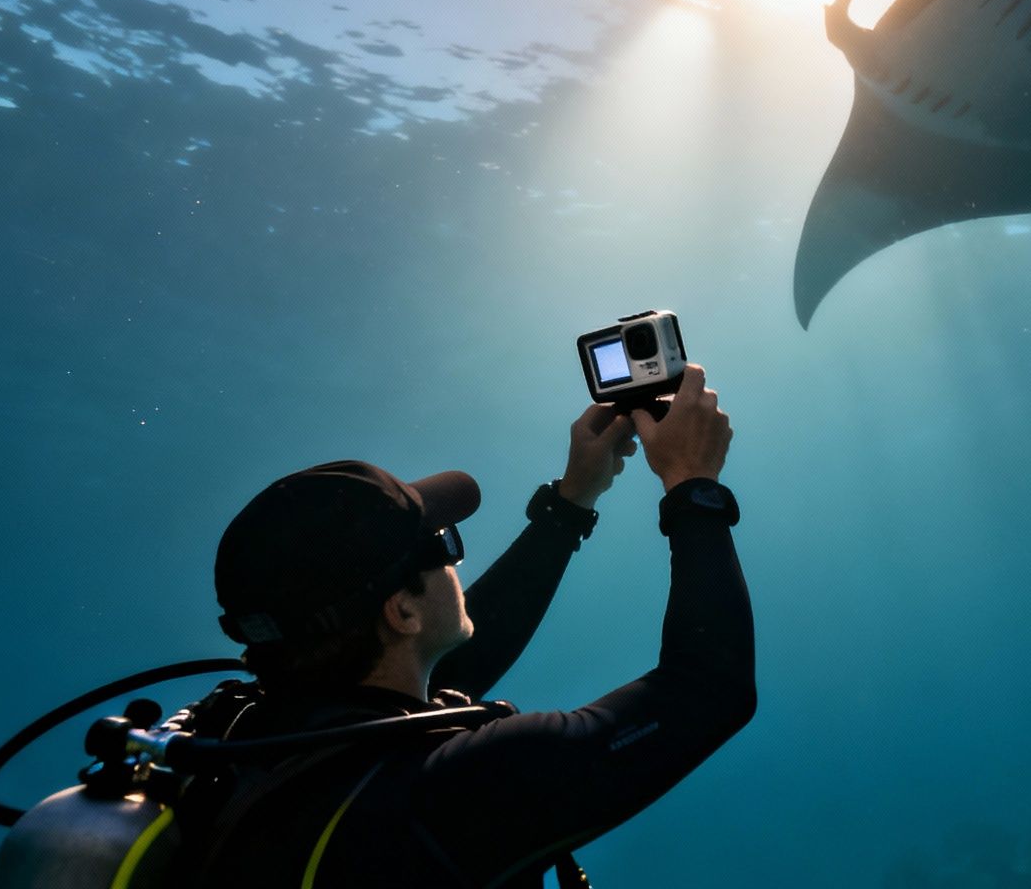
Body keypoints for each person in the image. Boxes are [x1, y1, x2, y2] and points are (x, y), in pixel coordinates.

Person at [191, 364, 753, 888]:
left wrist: (572, 501)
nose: (456, 563)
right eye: (441, 544)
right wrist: (691, 482)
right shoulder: (453, 792)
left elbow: (455, 664)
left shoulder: (245, 743)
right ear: (403, 613)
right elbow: (709, 688)